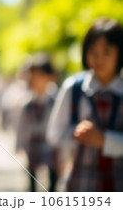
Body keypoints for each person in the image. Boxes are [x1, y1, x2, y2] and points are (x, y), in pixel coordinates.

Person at [47, 18, 123, 192]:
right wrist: (76, 133)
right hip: (80, 185)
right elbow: (53, 134)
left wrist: (104, 140)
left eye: (106, 51)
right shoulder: (73, 88)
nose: (99, 58)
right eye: (93, 51)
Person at [16, 54, 59, 192]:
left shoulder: (55, 100)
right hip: (33, 143)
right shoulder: (28, 103)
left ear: (50, 76)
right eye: (32, 76)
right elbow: (22, 126)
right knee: (32, 177)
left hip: (52, 145)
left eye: (39, 75)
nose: (35, 80)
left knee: (53, 177)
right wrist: (19, 144)